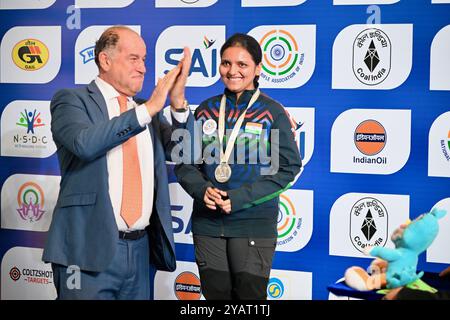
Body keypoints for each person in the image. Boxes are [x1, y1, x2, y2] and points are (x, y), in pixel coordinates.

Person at [42, 26, 193, 300]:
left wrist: (178, 102)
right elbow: (84, 143)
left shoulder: (147, 111)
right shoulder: (71, 101)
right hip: (86, 252)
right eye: (134, 58)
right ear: (105, 60)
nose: (143, 68)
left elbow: (186, 153)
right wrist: (147, 110)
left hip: (139, 251)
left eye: (144, 60)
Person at [175, 33, 302, 300]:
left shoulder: (272, 112)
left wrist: (239, 198)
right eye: (226, 63)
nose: (233, 71)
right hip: (208, 226)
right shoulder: (205, 111)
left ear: (258, 68)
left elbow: (288, 169)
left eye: (242, 65)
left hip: (253, 226)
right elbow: (185, 163)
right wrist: (202, 190)